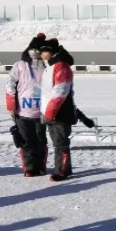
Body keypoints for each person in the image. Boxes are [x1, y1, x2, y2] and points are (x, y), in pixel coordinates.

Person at [5, 35, 48, 177]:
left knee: (40, 141)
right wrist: (11, 105)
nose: (35, 52)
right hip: (23, 112)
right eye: (33, 48)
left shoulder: (48, 67)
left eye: (38, 49)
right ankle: (30, 169)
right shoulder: (20, 65)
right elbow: (10, 85)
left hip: (41, 112)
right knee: (26, 142)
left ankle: (41, 167)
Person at [40, 38, 76, 182]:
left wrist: (50, 112)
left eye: (46, 51)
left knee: (61, 143)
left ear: (53, 52)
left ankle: (61, 171)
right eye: (42, 52)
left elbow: (60, 91)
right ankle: (65, 168)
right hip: (50, 112)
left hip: (60, 112)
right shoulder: (49, 66)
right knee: (57, 143)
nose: (43, 55)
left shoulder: (61, 66)